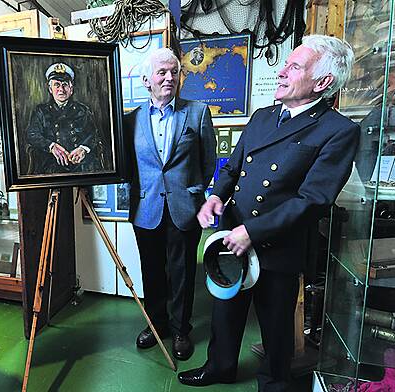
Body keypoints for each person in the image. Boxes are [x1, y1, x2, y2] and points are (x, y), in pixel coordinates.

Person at [178, 35, 360, 391]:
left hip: (276, 246)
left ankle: (274, 383)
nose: (281, 71)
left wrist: (254, 232)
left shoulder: (338, 131)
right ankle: (220, 367)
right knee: (225, 311)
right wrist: (215, 197)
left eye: (294, 66)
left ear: (322, 82)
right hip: (233, 235)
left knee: (276, 328)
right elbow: (231, 168)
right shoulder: (263, 117)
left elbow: (314, 200)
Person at [124, 48, 216, 361]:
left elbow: (208, 160)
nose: (169, 77)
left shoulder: (197, 112)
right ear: (146, 79)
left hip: (184, 207)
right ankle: (156, 324)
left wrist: (194, 191)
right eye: (162, 72)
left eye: (174, 72)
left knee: (183, 271)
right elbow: (128, 167)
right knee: (151, 271)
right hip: (146, 206)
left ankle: (180, 329)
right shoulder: (130, 120)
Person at [25, 62, 105, 174]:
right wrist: (51, 146)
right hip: (51, 164)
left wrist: (83, 148)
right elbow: (32, 134)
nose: (61, 90)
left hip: (81, 164)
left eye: (65, 85)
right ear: (50, 89)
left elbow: (94, 134)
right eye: (57, 85)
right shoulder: (41, 111)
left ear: (71, 88)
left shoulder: (83, 110)